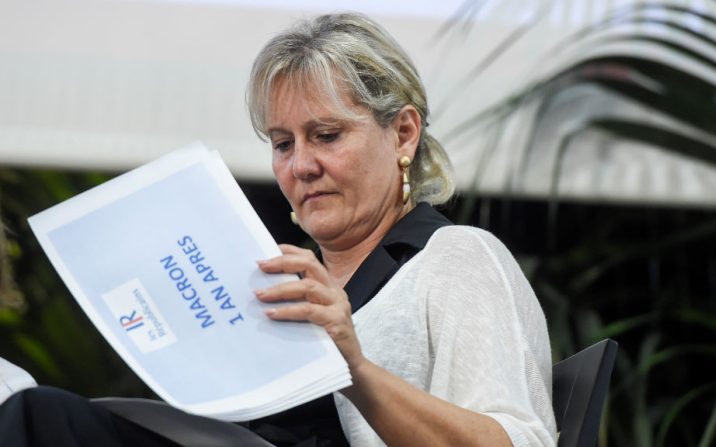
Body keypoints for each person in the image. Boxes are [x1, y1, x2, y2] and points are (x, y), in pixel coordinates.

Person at [0, 12, 556, 447]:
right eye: (284, 145)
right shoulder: (268, 283)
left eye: (328, 135)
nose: (302, 166)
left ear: (404, 134)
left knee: (41, 418)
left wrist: (352, 367)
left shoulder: (455, 257)